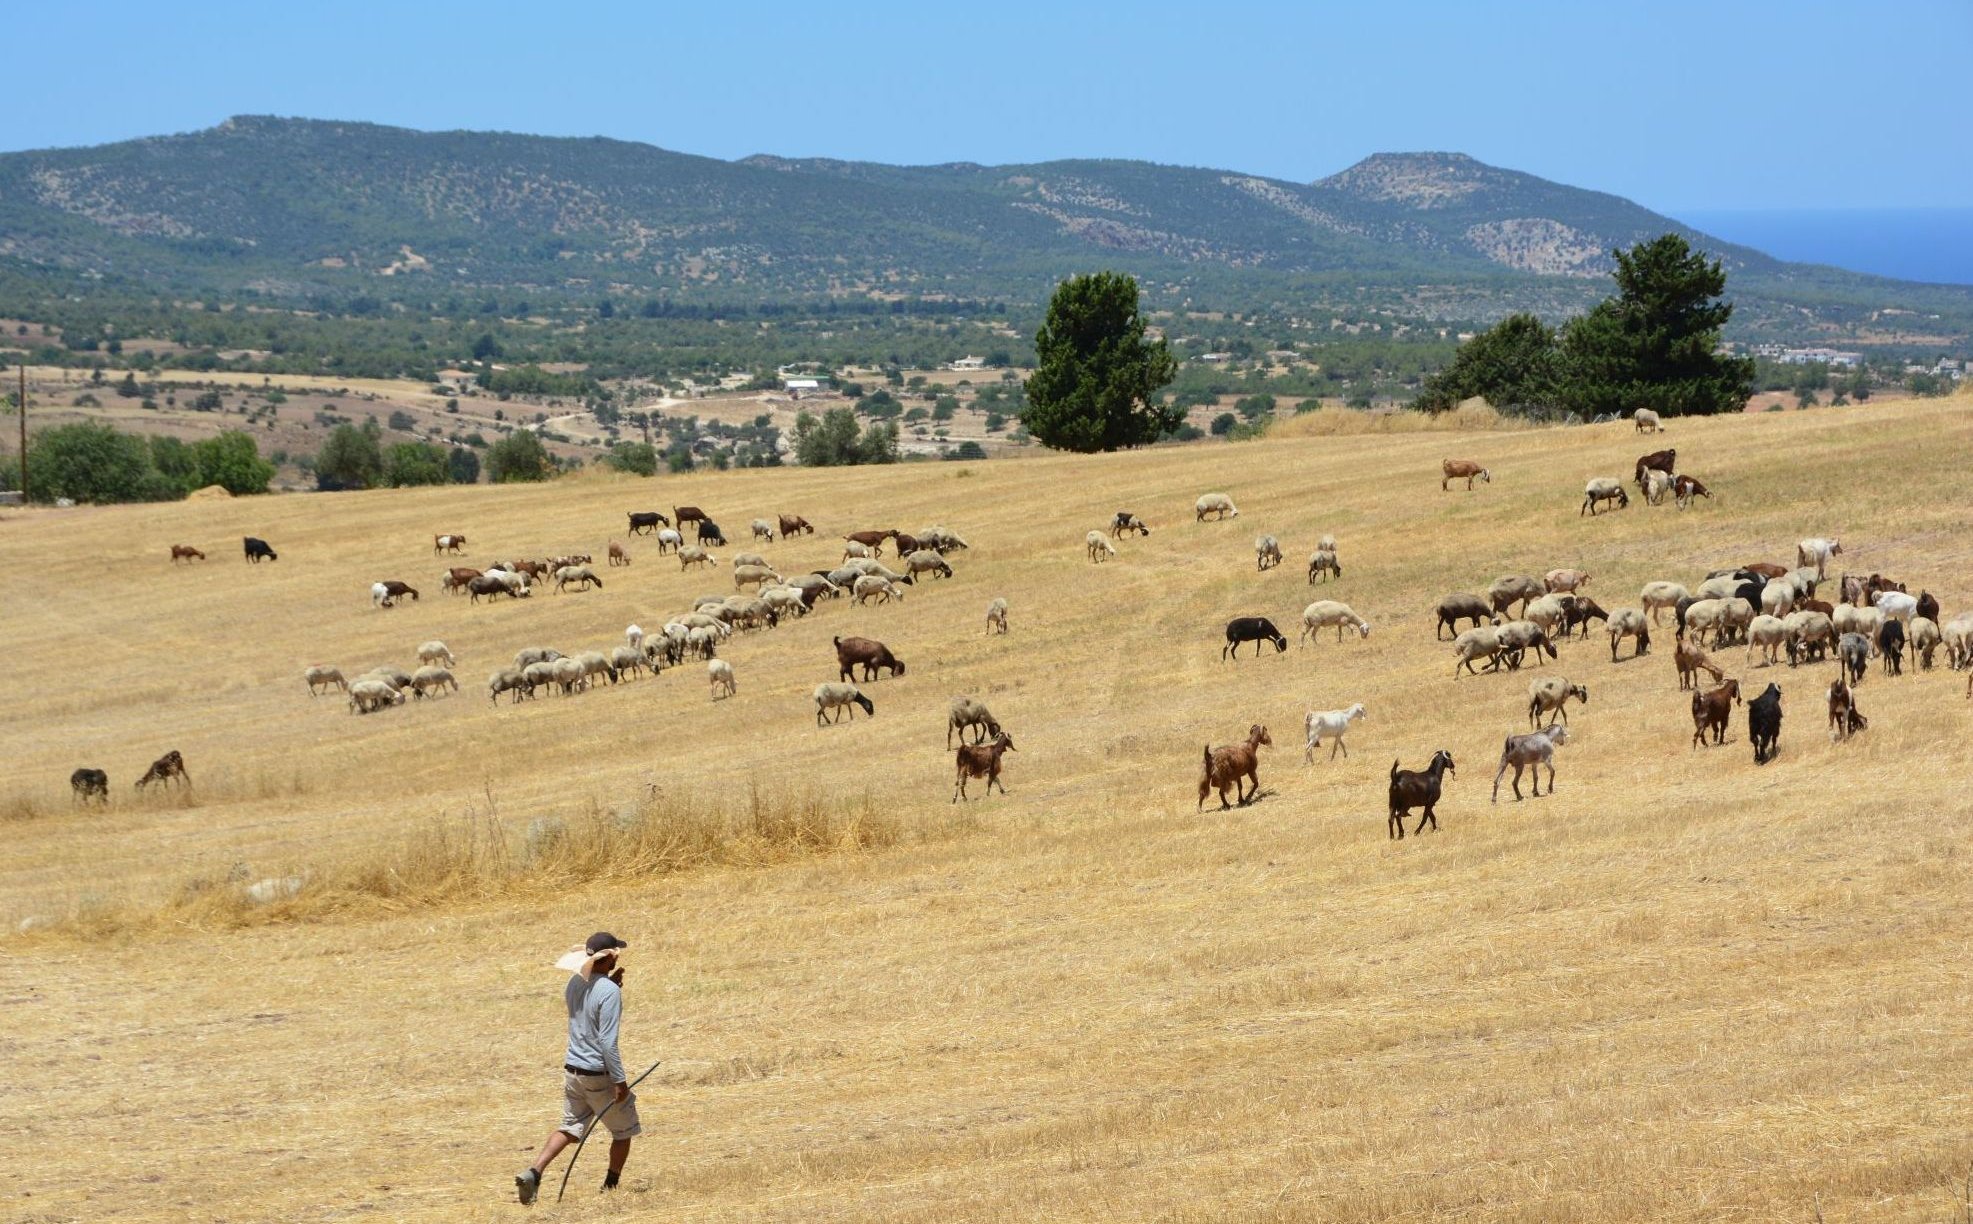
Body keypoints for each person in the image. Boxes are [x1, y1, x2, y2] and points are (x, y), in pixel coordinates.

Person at [515, 931, 641, 1204]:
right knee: (624, 1131)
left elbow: (588, 1010)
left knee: (570, 1127)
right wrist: (620, 1082)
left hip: (573, 1070)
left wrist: (610, 985)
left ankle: (534, 1172)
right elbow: (607, 1042)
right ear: (610, 958)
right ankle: (610, 1188)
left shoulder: (574, 982)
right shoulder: (608, 991)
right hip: (599, 1074)